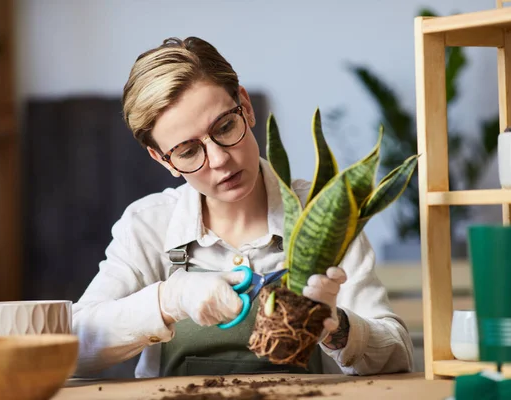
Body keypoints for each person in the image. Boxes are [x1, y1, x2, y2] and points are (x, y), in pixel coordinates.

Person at [72, 36, 414, 378]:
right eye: (188, 151)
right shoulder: (148, 225)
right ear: (163, 161)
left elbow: (398, 354)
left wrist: (336, 327)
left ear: (245, 107)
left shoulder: (325, 212)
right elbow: (72, 345)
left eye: (225, 126)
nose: (220, 159)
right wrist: (169, 300)